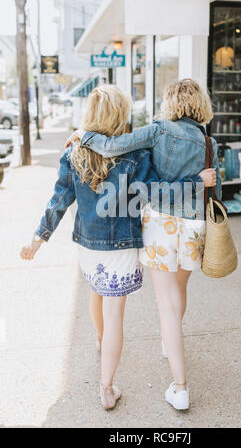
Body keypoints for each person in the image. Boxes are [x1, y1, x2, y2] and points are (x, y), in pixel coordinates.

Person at [20, 85, 205, 411]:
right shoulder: (135, 156)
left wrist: (39, 237)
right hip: (120, 248)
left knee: (95, 291)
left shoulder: (73, 153)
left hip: (89, 247)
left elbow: (59, 201)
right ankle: (106, 388)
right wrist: (196, 183)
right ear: (121, 115)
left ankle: (100, 342)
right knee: (115, 316)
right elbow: (157, 192)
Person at [65, 79, 221, 410]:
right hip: (194, 224)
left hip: (162, 223)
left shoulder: (158, 131)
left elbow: (114, 147)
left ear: (171, 102)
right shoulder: (209, 142)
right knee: (179, 292)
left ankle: (180, 387)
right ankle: (171, 341)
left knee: (165, 302)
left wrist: (84, 135)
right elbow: (213, 188)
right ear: (201, 105)